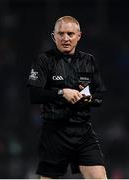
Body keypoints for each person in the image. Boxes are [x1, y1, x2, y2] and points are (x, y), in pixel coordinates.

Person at [28, 16, 107, 179]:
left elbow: (99, 96)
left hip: (83, 132)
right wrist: (62, 92)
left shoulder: (89, 60)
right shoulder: (44, 60)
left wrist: (88, 98)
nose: (65, 38)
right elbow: (34, 95)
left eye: (70, 34)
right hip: (54, 133)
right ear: (53, 36)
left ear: (79, 36)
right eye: (61, 33)